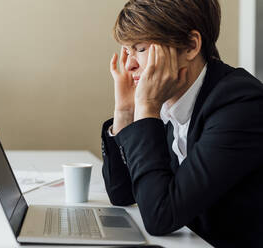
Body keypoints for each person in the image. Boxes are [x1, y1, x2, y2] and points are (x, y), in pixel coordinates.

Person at [100, 0, 263, 247]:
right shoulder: (169, 101)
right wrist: (125, 111)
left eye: (141, 49)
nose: (130, 64)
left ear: (190, 45)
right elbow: (121, 193)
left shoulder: (240, 104)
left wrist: (147, 110)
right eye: (127, 51)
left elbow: (160, 217)